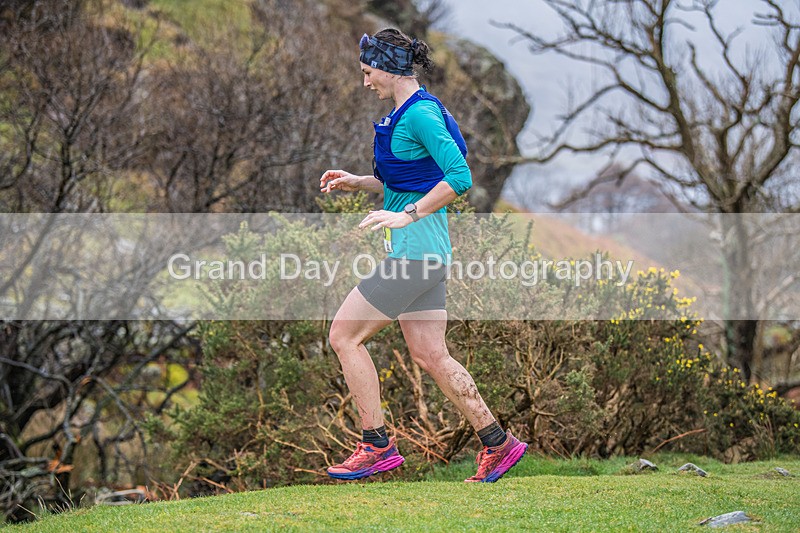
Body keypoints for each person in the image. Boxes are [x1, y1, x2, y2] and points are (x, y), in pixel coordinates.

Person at [319, 28, 527, 483]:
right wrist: (360, 181)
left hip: (414, 254)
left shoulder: (421, 115)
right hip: (429, 255)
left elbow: (459, 176)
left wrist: (407, 216)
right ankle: (498, 443)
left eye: (368, 72)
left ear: (390, 69)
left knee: (343, 336)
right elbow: (413, 179)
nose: (365, 82)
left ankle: (375, 444)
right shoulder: (407, 112)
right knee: (432, 355)